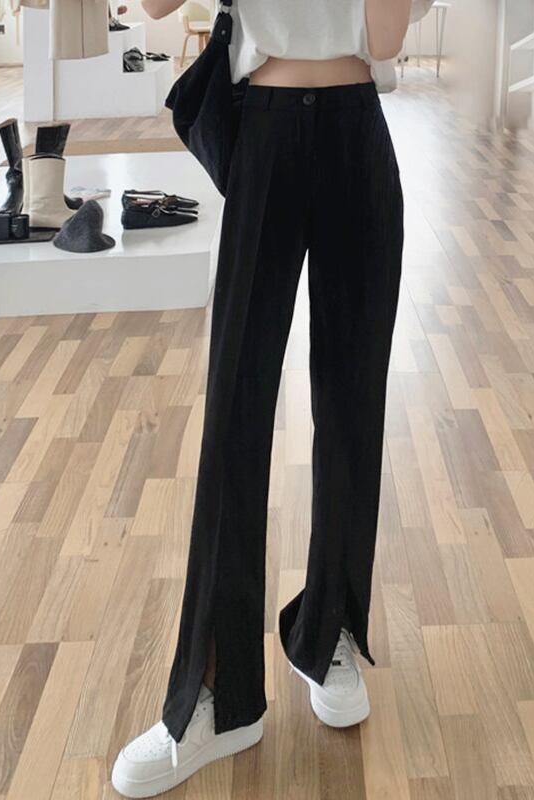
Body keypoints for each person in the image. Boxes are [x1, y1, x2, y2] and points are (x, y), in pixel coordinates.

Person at [112, 1, 410, 796]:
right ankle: (218, 692)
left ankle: (329, 630)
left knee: (352, 409)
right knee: (233, 416)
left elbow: (386, 40)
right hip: (266, 131)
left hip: (356, 131)